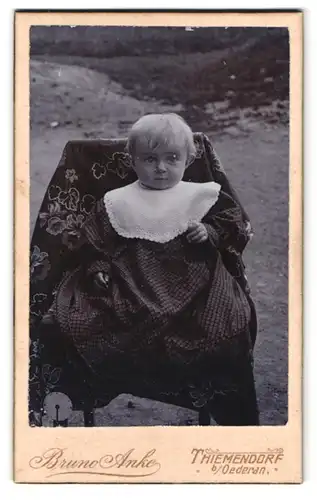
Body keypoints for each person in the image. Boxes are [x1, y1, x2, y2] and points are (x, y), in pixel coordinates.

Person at [47, 113, 259, 425]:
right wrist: (98, 268)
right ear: (132, 161)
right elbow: (95, 243)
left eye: (171, 158)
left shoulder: (202, 194)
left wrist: (209, 232)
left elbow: (234, 225)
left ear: (188, 160)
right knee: (83, 316)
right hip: (132, 281)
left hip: (194, 282)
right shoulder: (117, 201)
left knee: (222, 321)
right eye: (149, 159)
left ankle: (220, 403)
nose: (160, 168)